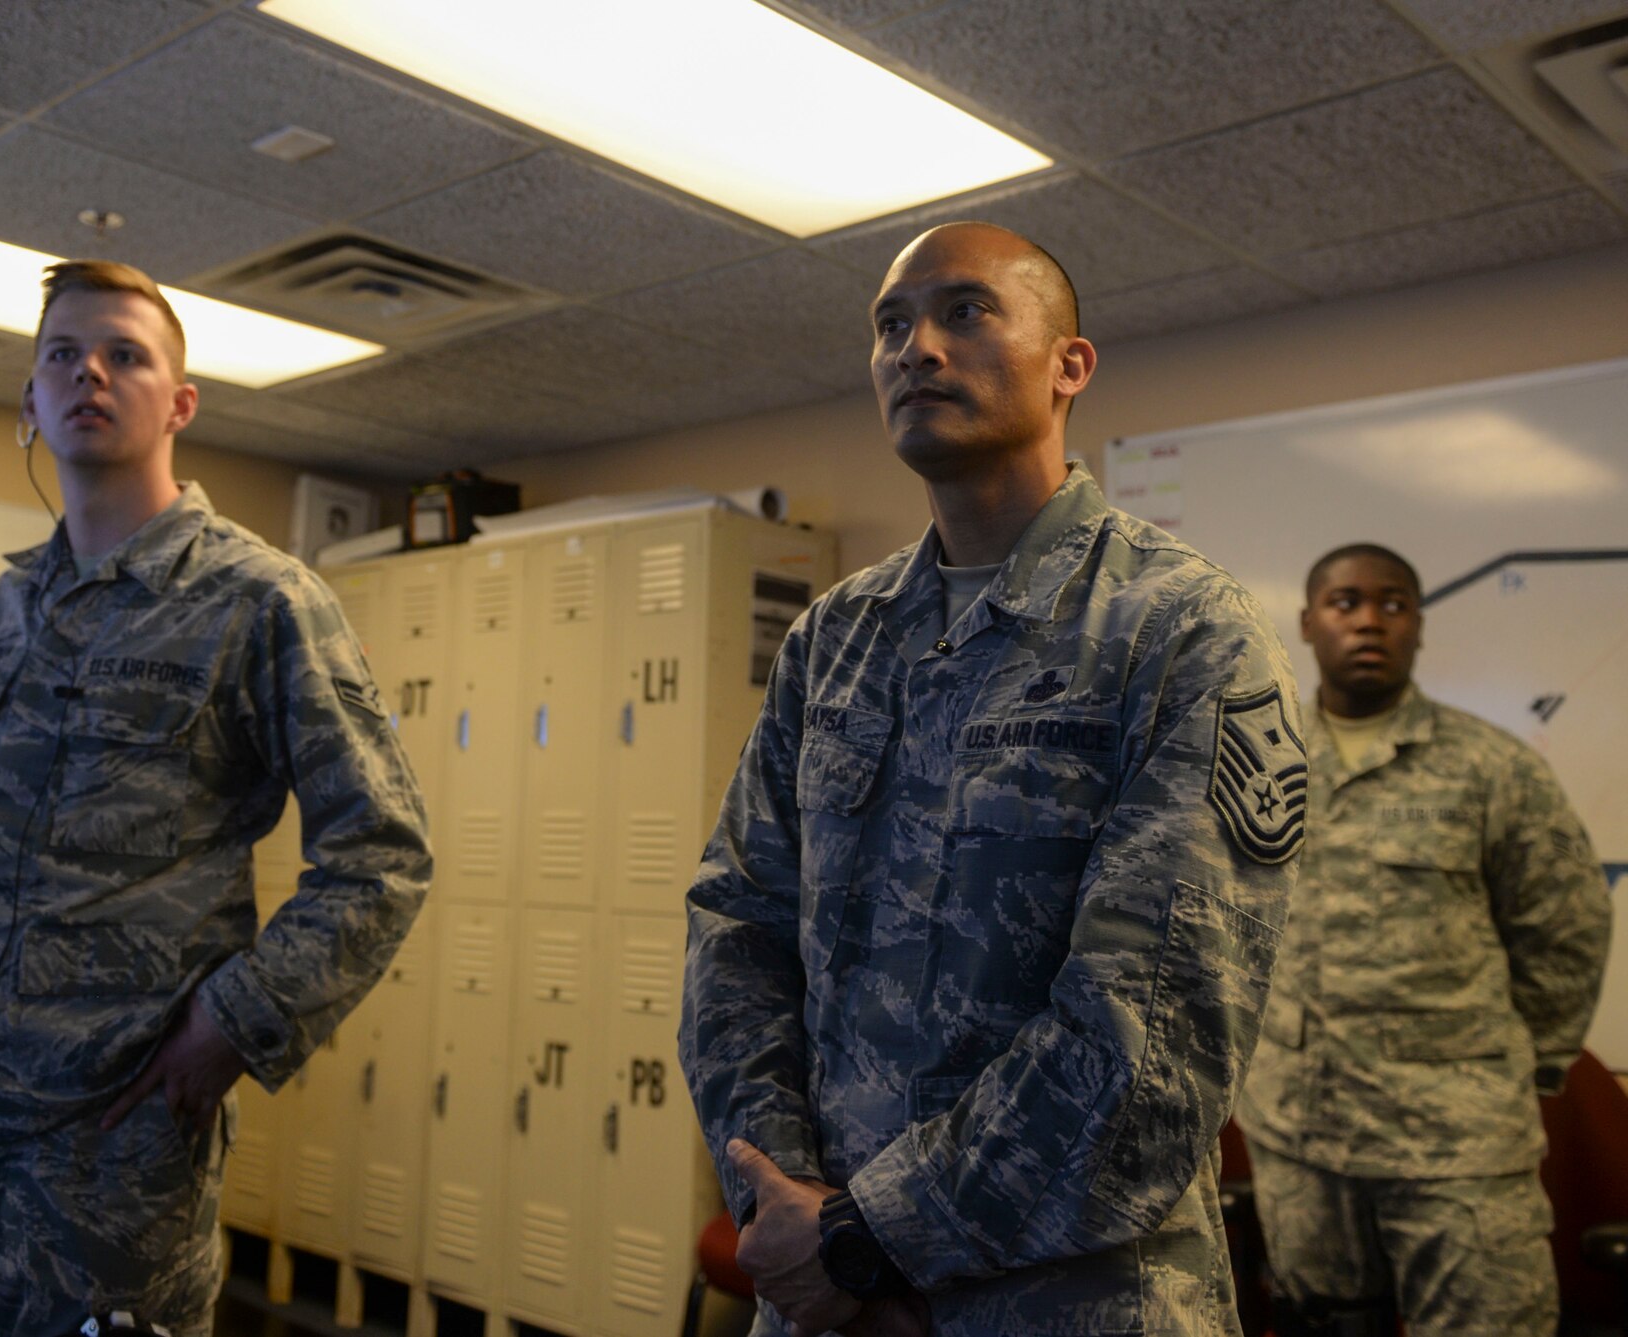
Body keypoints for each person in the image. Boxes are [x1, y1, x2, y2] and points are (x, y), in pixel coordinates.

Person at [678, 221, 1308, 1336]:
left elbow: (1152, 1030)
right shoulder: (836, 636)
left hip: (1066, 1299)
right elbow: (736, 925)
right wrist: (780, 1205)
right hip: (821, 1292)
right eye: (887, 323)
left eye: (963, 310)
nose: (913, 346)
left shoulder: (1179, 626)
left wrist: (869, 1241)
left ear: (1069, 365)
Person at [0, 260, 432, 1336]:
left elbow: (382, 851)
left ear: (180, 402)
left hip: (102, 1146)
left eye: (126, 354)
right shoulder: (8, 602)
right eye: (62, 355)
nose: (89, 374)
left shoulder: (260, 599)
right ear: (28, 399)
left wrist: (235, 1022)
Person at [1236, 543, 1610, 1336]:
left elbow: (1565, 931)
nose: (1369, 619)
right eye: (1345, 602)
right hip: (1304, 1137)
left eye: (1394, 602)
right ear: (1307, 623)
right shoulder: (1262, 767)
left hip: (1458, 1145)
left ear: (1418, 626)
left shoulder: (1492, 767)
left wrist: (1517, 1067)